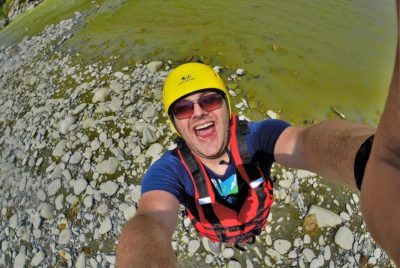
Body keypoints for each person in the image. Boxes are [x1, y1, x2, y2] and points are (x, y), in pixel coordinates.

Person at [116, 4, 399, 266]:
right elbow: (150, 221)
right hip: (218, 231)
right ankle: (221, 241)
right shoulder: (169, 172)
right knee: (217, 237)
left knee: (250, 233)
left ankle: (245, 237)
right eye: (183, 108)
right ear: (174, 124)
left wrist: (374, 160)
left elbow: (304, 143)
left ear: (227, 107)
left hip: (256, 221)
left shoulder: (258, 137)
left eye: (210, 100)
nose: (199, 112)